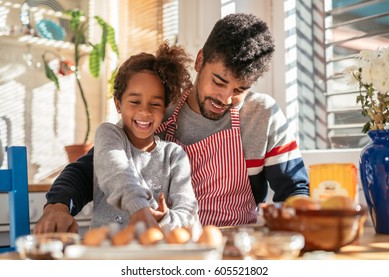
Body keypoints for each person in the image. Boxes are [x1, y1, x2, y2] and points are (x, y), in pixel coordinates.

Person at [34, 13, 309, 233]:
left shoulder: (262, 115)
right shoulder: (157, 110)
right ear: (200, 60)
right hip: (171, 250)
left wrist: (302, 221)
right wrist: (58, 205)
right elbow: (91, 167)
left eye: (239, 90)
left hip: (238, 248)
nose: (224, 99)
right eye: (219, 82)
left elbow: (294, 190)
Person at [90, 42, 198, 231]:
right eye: (135, 101)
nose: (144, 111)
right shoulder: (108, 135)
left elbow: (189, 212)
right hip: (106, 254)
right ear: (118, 104)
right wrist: (138, 207)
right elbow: (117, 171)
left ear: (164, 109)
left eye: (155, 104)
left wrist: (166, 218)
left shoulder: (174, 155)